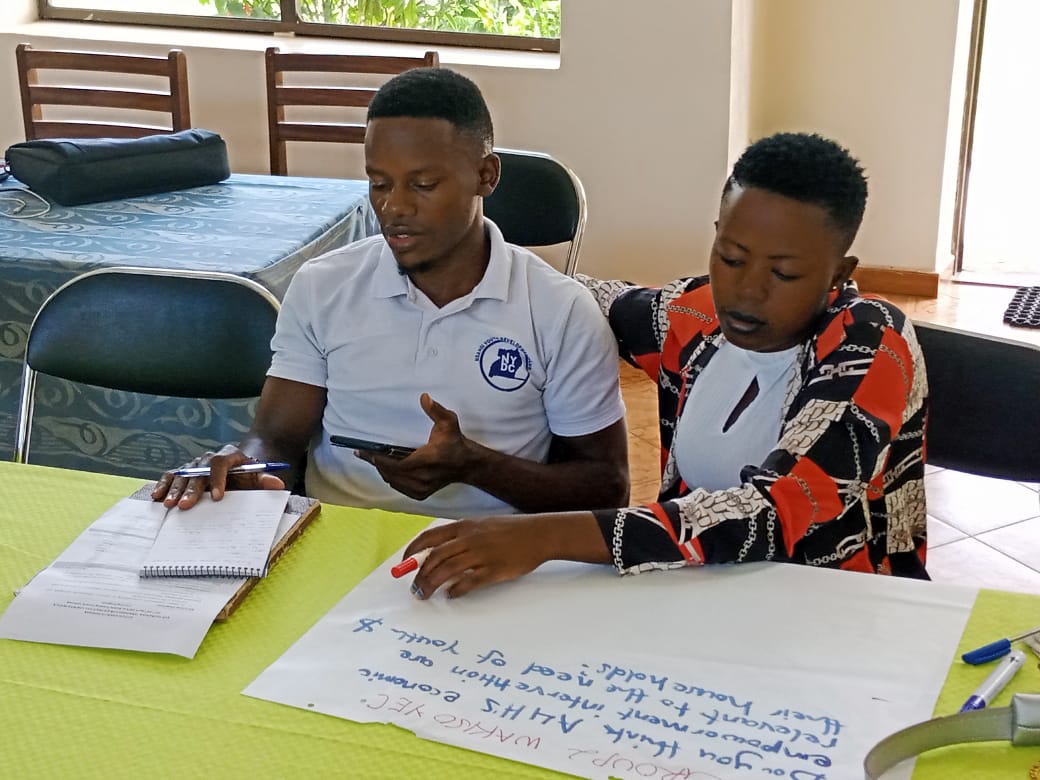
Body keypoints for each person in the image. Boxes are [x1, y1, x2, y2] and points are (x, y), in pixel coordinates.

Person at [401, 131, 929, 599]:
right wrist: (472, 257)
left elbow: (774, 513)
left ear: (840, 273)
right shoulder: (694, 316)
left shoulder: (869, 343)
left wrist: (546, 534)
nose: (746, 292)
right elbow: (579, 298)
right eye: (731, 257)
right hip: (694, 592)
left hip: (840, 607)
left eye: (784, 274)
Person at [152, 67, 629, 518]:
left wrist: (477, 466)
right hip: (332, 538)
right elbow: (276, 437)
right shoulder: (325, 285)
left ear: (486, 176)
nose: (394, 207)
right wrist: (244, 464)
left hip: (493, 554)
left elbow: (606, 486)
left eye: (423, 184)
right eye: (378, 183)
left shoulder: (559, 311)